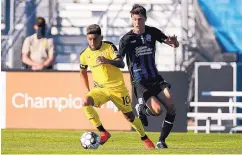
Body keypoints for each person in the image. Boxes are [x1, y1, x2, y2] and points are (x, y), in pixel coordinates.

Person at [79, 24, 155, 149]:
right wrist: (87, 90)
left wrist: (107, 61)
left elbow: (121, 63)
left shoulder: (109, 47)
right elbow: (82, 72)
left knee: (129, 117)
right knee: (85, 102)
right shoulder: (84, 55)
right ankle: (103, 132)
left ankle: (144, 137)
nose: (92, 42)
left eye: (95, 39)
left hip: (118, 89)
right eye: (89, 39)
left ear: (101, 37)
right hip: (101, 89)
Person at [118, 4, 179, 149]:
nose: (137, 22)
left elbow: (173, 44)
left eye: (139, 19)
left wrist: (174, 41)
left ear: (145, 18)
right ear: (131, 19)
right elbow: (119, 60)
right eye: (134, 19)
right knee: (157, 111)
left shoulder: (153, 32)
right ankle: (142, 109)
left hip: (155, 78)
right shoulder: (126, 39)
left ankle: (161, 141)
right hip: (140, 82)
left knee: (171, 106)